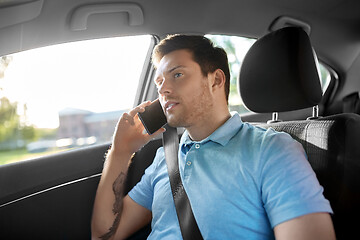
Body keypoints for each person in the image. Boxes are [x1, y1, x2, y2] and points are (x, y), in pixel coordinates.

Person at [91, 35, 335, 240]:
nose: (163, 89)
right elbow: (105, 235)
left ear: (216, 80)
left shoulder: (272, 151)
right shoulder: (164, 158)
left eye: (177, 75)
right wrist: (120, 152)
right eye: (159, 82)